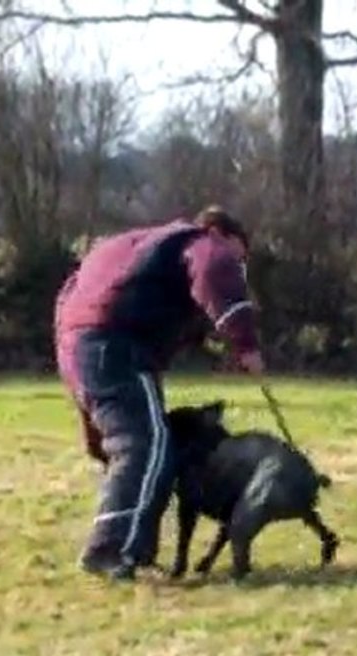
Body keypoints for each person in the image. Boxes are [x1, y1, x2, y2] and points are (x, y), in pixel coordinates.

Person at [53, 205, 265, 581]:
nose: (239, 268)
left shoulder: (133, 245)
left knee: (135, 443)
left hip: (76, 343)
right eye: (240, 258)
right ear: (221, 234)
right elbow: (214, 269)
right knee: (146, 444)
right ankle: (111, 548)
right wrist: (244, 343)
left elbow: (71, 291)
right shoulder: (202, 242)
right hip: (114, 344)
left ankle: (131, 545)